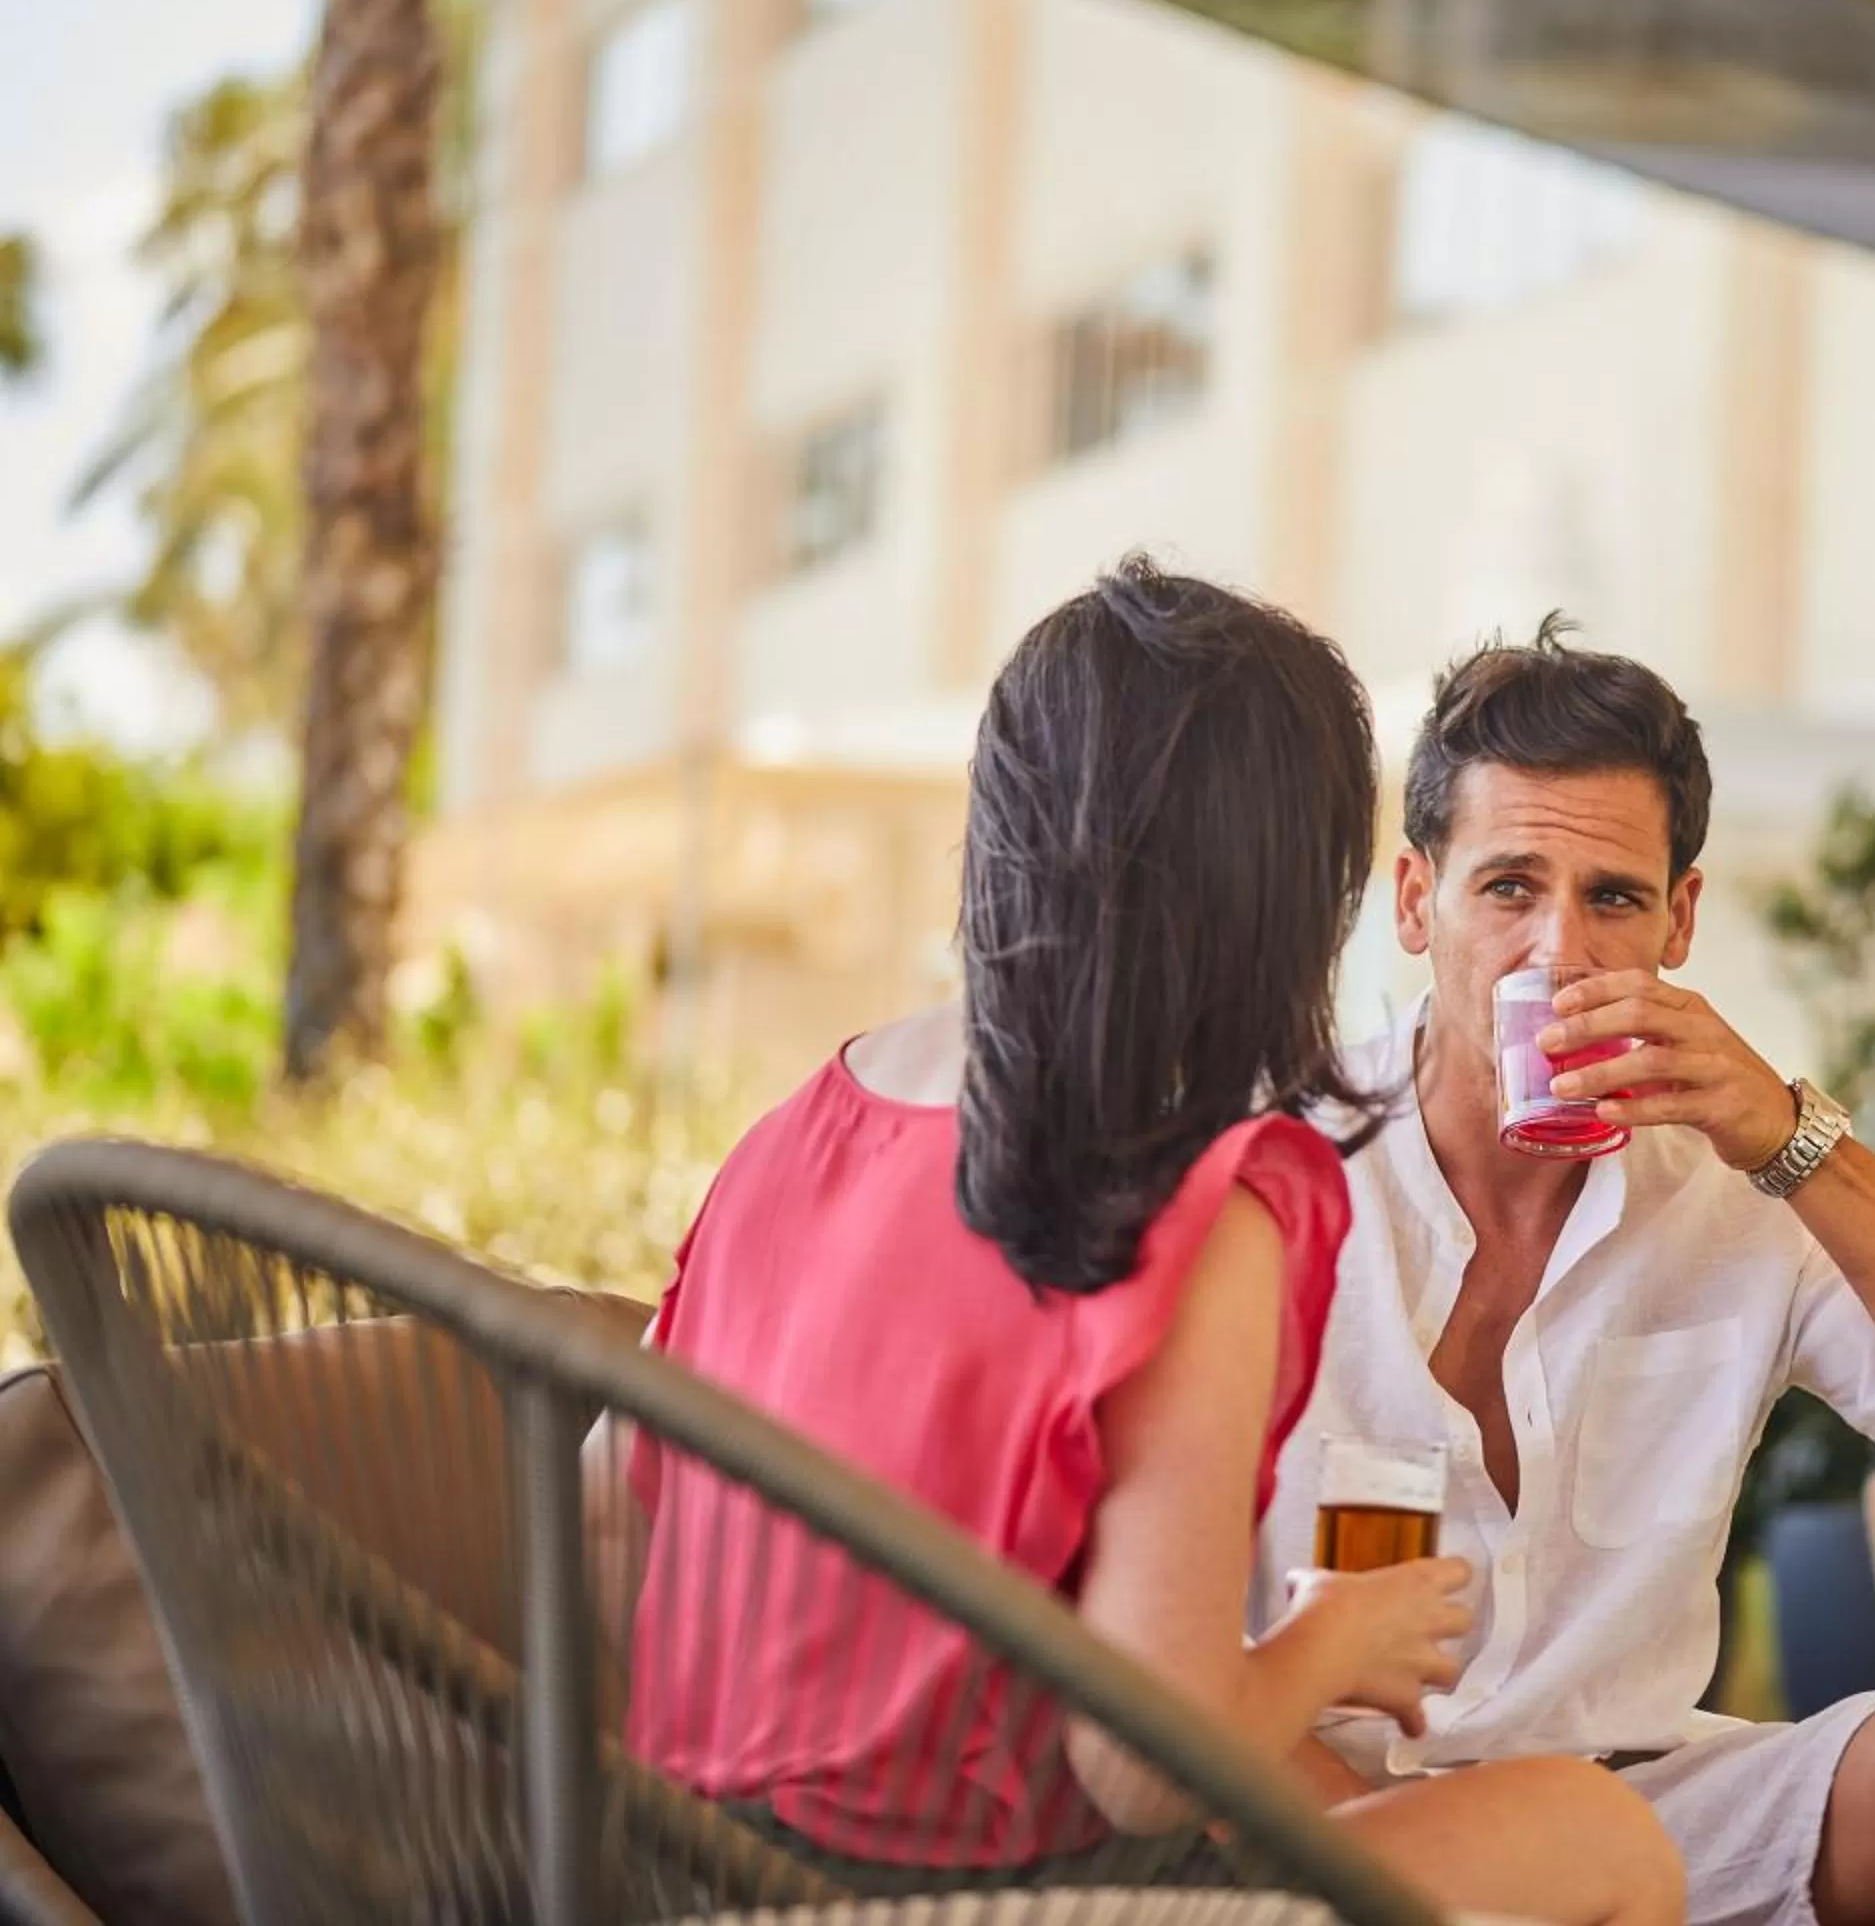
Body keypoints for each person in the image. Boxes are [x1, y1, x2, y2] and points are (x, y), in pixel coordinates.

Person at [593, 562, 1681, 1923]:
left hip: (679, 1873)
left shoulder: (796, 1133)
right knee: (1598, 1838)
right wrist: (1339, 1637)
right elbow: (1141, 1764)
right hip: (968, 1898)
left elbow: (601, 1508)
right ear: (1281, 888)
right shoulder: (1197, 1200)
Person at [1249, 620, 1875, 1926]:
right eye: (1508, 888)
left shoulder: (1745, 1178)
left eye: (1611, 897)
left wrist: (1798, 1141)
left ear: (1680, 917)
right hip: (1306, 1805)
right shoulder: (1266, 1173)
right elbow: (1140, 1640)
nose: (1559, 952)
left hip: (1631, 1803)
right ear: (1410, 903)